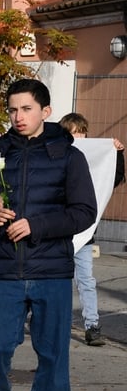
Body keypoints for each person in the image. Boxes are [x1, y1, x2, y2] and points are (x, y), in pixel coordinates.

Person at [0, 79, 97, 391]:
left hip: (53, 271)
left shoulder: (70, 156)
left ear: (45, 111)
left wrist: (36, 225)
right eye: (12, 109)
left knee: (53, 357)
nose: (18, 116)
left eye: (26, 109)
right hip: (4, 268)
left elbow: (83, 212)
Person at [58, 112, 125, 346]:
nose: (78, 136)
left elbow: (112, 178)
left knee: (86, 280)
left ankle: (92, 325)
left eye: (81, 131)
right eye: (73, 132)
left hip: (84, 234)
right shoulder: (57, 155)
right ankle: (58, 323)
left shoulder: (91, 157)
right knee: (60, 281)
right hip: (61, 232)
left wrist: (116, 154)